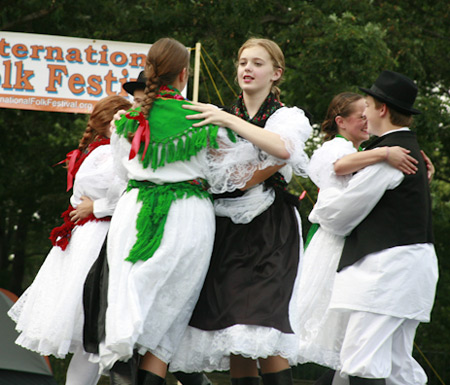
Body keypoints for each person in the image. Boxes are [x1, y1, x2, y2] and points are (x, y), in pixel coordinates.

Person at [94, 37, 268, 385]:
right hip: (187, 215)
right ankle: (136, 362)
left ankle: (121, 353)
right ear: (184, 74)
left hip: (134, 210)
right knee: (172, 310)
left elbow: (123, 172)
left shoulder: (124, 120)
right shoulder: (202, 116)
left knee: (129, 292)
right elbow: (238, 169)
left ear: (150, 71)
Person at [168, 38, 313, 385]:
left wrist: (228, 123)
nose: (247, 68)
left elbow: (283, 148)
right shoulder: (220, 115)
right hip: (227, 228)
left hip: (271, 229)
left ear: (276, 74)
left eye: (257, 63)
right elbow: (216, 174)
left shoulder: (286, 117)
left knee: (263, 323)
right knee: (235, 331)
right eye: (243, 62)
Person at [306, 70, 438, 385]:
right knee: (396, 368)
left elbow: (338, 215)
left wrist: (327, 195)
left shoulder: (388, 158)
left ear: (382, 109)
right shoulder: (405, 151)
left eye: (368, 102)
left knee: (361, 365)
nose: (364, 109)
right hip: (410, 270)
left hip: (384, 272)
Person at [290, 91, 418, 377]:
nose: (365, 120)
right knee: (330, 321)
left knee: (347, 332)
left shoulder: (359, 153)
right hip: (334, 241)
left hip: (352, 239)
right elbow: (339, 168)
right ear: (340, 122)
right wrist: (385, 153)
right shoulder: (335, 148)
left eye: (366, 114)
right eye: (359, 116)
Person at [8, 95, 133, 385]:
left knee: (92, 335)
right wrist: (99, 208)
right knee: (96, 328)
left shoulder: (96, 152)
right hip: (99, 240)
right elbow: (129, 195)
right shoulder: (108, 155)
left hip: (88, 239)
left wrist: (95, 207)